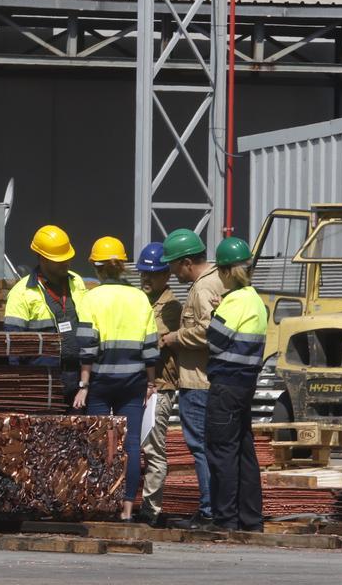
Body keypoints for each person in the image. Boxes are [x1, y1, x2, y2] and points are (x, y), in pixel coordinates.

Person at [73, 236, 158, 521]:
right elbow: (150, 346)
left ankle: (101, 505)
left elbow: (87, 347)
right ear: (122, 266)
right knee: (131, 443)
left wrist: (83, 385)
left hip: (100, 381)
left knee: (100, 441)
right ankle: (127, 510)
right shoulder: (140, 298)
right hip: (134, 380)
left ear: (96, 268)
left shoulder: (90, 298)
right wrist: (151, 382)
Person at [157, 228, 226, 530]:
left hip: (198, 381)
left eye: (173, 265)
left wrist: (173, 338)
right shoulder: (217, 281)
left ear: (186, 262)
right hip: (212, 379)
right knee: (213, 447)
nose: (171, 272)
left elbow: (208, 332)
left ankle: (209, 511)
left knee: (199, 447)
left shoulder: (200, 289)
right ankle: (217, 508)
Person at [200, 236, 267, 532]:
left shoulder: (235, 300)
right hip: (245, 385)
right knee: (243, 452)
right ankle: (250, 520)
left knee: (221, 452)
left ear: (227, 272)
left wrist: (217, 311)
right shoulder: (256, 301)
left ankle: (224, 520)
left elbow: (214, 339)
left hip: (225, 385)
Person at [3, 224, 90, 412]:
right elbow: (14, 347)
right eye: (59, 260)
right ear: (42, 258)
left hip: (77, 381)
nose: (66, 263)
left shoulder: (76, 281)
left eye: (67, 258)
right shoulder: (22, 293)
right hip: (41, 384)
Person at [135, 241, 182, 527]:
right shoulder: (140, 300)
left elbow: (156, 341)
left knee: (153, 449)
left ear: (166, 275)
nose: (146, 279)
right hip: (136, 384)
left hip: (160, 386)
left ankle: (150, 511)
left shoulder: (172, 306)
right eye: (143, 273)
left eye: (152, 274)